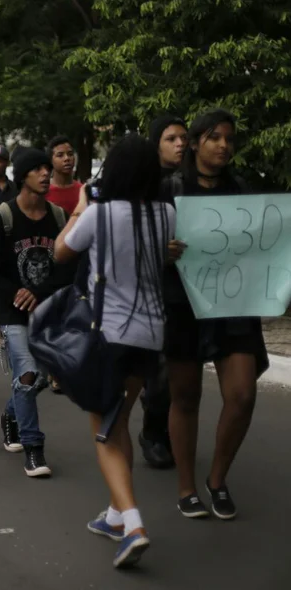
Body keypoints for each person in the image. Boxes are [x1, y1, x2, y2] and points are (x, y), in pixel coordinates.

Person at [54, 134, 174, 568]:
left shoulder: (100, 214)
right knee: (121, 420)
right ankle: (113, 515)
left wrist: (81, 205)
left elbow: (60, 251)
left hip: (108, 333)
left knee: (103, 431)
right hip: (150, 334)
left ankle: (134, 525)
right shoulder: (166, 214)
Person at [164, 109, 266, 520]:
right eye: (214, 137)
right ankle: (187, 487)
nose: (224, 146)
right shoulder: (169, 188)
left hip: (234, 304)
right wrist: (162, 249)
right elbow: (145, 240)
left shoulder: (241, 189)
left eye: (229, 139)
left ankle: (217, 480)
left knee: (242, 395)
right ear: (194, 143)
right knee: (186, 395)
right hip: (183, 302)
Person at [0, 147, 73, 478]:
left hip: (48, 310)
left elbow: (67, 267)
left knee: (41, 379)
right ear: (22, 176)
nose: (46, 174)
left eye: (48, 168)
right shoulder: (1, 218)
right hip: (13, 311)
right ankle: (34, 448)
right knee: (27, 374)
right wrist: (15, 292)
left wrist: (39, 292)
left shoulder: (59, 217)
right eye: (38, 169)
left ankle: (10, 415)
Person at [135, 115, 188, 470]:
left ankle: (172, 431)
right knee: (159, 374)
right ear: (156, 143)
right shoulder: (141, 185)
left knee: (183, 372)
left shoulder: (196, 183)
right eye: (171, 138)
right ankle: (153, 433)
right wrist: (158, 251)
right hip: (150, 290)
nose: (180, 144)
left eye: (184, 138)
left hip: (191, 291)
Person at [45, 136, 83, 214]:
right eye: (60, 155)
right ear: (51, 160)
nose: (67, 158)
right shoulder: (44, 191)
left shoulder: (83, 191)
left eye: (70, 154)